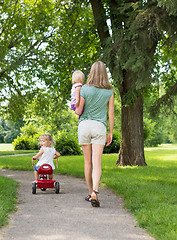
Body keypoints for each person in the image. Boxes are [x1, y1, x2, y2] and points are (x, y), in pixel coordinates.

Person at [75, 61, 114, 207]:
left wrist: (74, 107)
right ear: (105, 73)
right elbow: (111, 112)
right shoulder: (110, 91)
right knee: (97, 163)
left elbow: (79, 111)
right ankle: (95, 192)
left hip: (84, 126)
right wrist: (110, 131)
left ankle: (90, 191)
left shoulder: (84, 89)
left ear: (91, 72)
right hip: (99, 127)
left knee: (88, 162)